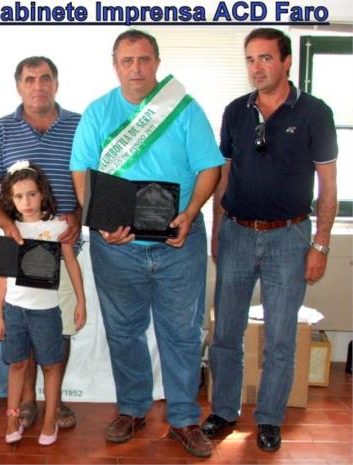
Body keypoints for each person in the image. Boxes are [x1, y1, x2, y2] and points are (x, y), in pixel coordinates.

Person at [70, 30, 224, 458]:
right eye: (127, 60)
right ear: (115, 65)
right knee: (124, 333)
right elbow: (81, 172)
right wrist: (100, 221)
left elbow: (209, 168)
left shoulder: (185, 109)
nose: (135, 68)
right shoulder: (98, 112)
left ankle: (184, 418)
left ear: (156, 62)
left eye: (143, 59)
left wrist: (191, 212)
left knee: (183, 334)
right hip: (116, 247)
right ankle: (132, 409)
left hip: (179, 241)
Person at [202, 28, 338, 452]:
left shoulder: (315, 113)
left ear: (286, 61)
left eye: (265, 58)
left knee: (280, 337)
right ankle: (224, 411)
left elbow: (329, 186)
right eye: (250, 59)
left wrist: (320, 244)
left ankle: (269, 419)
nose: (256, 68)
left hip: (289, 238)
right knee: (226, 331)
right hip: (237, 233)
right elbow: (223, 175)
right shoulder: (235, 111)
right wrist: (217, 229)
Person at [0, 56, 82, 429]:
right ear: (18, 86)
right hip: (15, 250)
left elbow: (94, 179)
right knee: (21, 325)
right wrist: (9, 227)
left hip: (60, 248)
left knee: (57, 328)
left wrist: (79, 217)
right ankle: (26, 402)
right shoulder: (1, 129)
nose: (38, 85)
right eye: (30, 79)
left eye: (45, 78)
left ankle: (54, 401)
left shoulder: (79, 125)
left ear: (56, 83)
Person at [0, 161, 86, 446]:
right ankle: (12, 417)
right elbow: (1, 275)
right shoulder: (10, 229)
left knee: (51, 365)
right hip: (14, 310)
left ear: (42, 194)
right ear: (11, 200)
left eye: (32, 194)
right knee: (17, 364)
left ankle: (49, 420)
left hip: (46, 311)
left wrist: (81, 301)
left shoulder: (58, 227)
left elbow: (71, 263)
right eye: (19, 196)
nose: (26, 202)